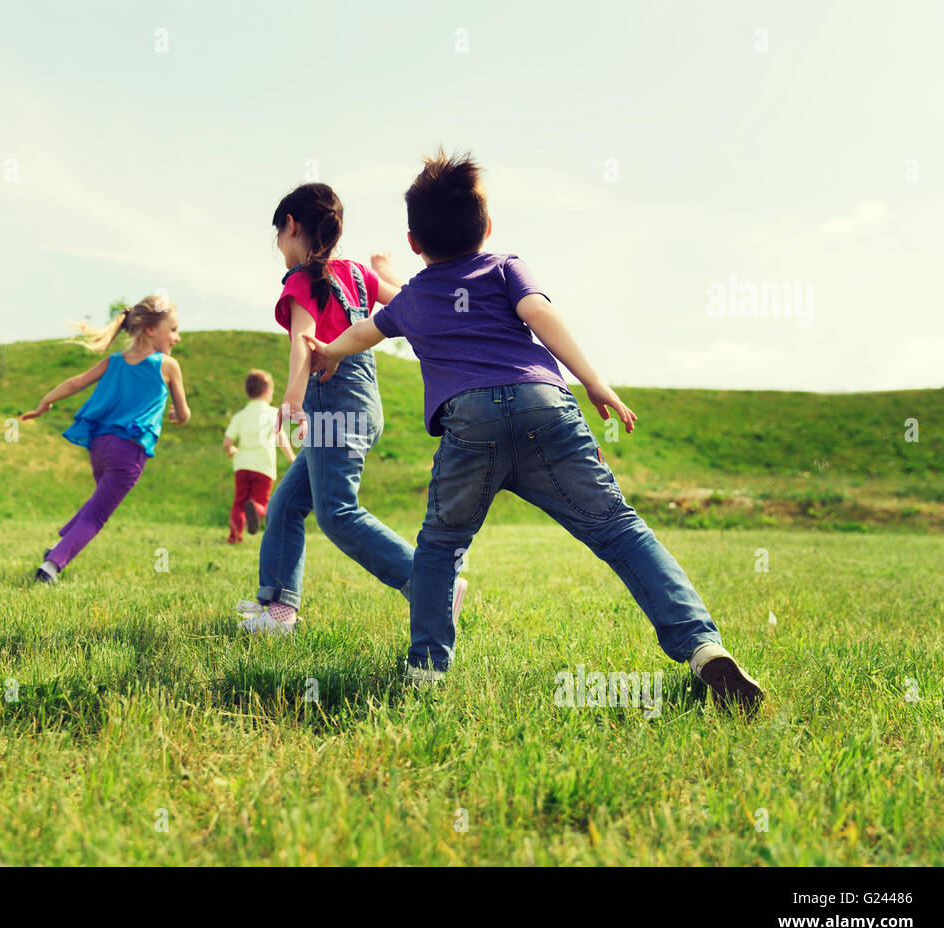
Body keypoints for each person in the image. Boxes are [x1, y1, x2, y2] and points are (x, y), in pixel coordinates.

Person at [304, 150, 762, 712]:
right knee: (619, 530)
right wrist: (594, 382)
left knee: (441, 547)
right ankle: (702, 646)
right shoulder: (504, 267)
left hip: (469, 422)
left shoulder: (415, 297)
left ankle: (426, 672)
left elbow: (363, 333)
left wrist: (326, 351)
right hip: (545, 408)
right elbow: (543, 317)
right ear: (487, 228)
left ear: (414, 242)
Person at [237, 182, 467, 635]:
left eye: (278, 235)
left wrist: (291, 400)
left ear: (291, 226)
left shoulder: (303, 280)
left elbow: (304, 345)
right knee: (285, 505)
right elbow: (407, 302)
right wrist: (388, 271)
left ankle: (434, 585)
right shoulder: (358, 274)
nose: (279, 247)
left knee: (337, 512)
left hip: (332, 407)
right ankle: (278, 611)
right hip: (363, 406)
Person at [23, 294, 190, 583]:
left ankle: (60, 545)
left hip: (100, 446)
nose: (177, 338)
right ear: (151, 330)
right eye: (173, 329)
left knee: (98, 501)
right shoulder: (167, 366)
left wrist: (45, 403)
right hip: (130, 452)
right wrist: (178, 415)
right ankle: (51, 565)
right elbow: (185, 414)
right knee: (97, 515)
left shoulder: (114, 361)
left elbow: (76, 382)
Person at [224, 369, 295, 544]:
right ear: (266, 392)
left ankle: (234, 536)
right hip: (263, 466)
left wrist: (231, 450)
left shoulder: (240, 415)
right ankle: (255, 510)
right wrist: (292, 458)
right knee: (261, 501)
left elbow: (227, 442)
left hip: (242, 465)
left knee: (238, 501)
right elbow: (281, 438)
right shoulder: (272, 413)